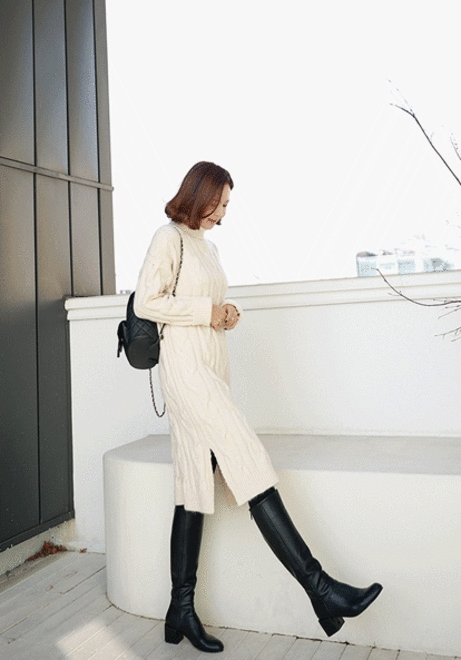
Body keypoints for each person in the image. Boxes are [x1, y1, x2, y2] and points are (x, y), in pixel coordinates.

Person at [134, 161, 382, 653]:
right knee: (248, 462)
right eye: (218, 203)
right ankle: (321, 589)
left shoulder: (209, 247)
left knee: (193, 485)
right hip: (186, 371)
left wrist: (227, 314)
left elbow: (207, 305)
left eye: (227, 205)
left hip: (211, 368)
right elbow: (146, 302)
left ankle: (180, 609)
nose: (223, 213)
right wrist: (207, 312)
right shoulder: (168, 238)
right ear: (198, 194)